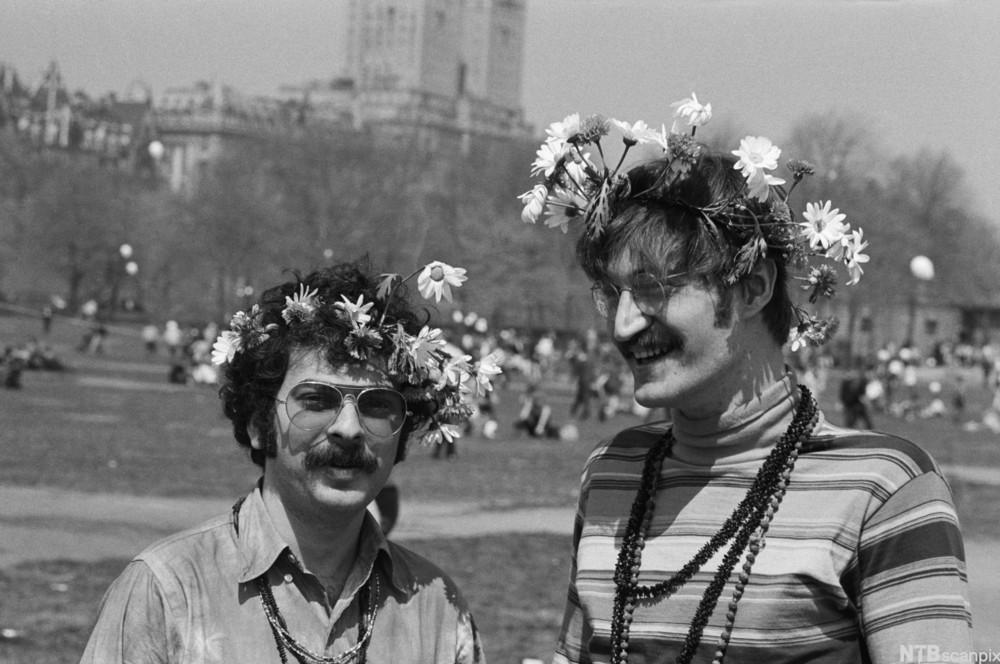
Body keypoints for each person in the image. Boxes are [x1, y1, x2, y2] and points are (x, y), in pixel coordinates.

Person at [520, 98, 972, 662]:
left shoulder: (884, 490)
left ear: (753, 288)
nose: (623, 323)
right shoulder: (611, 471)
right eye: (611, 293)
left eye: (654, 286)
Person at [80, 258, 500, 663]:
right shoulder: (168, 592)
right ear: (259, 424)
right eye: (317, 400)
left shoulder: (435, 608)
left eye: (376, 405)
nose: (349, 429)